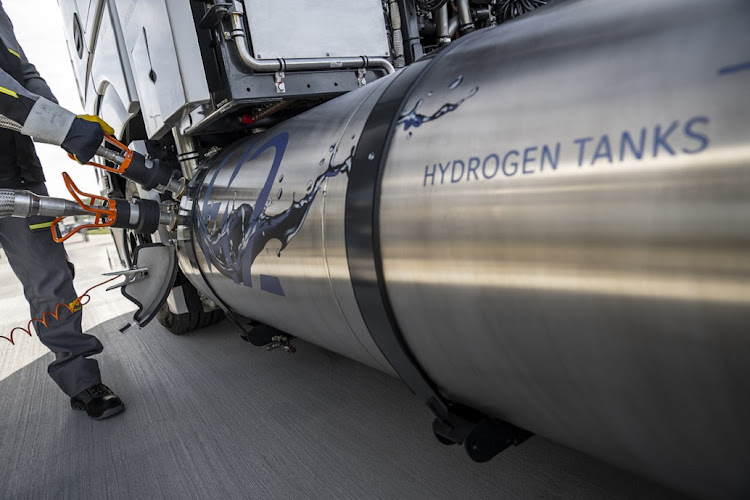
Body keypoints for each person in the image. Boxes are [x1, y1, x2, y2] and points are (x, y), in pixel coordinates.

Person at [0, 3, 124, 419]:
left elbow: (24, 75)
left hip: (17, 175)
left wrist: (66, 122)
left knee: (50, 282)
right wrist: (64, 129)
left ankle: (83, 382)